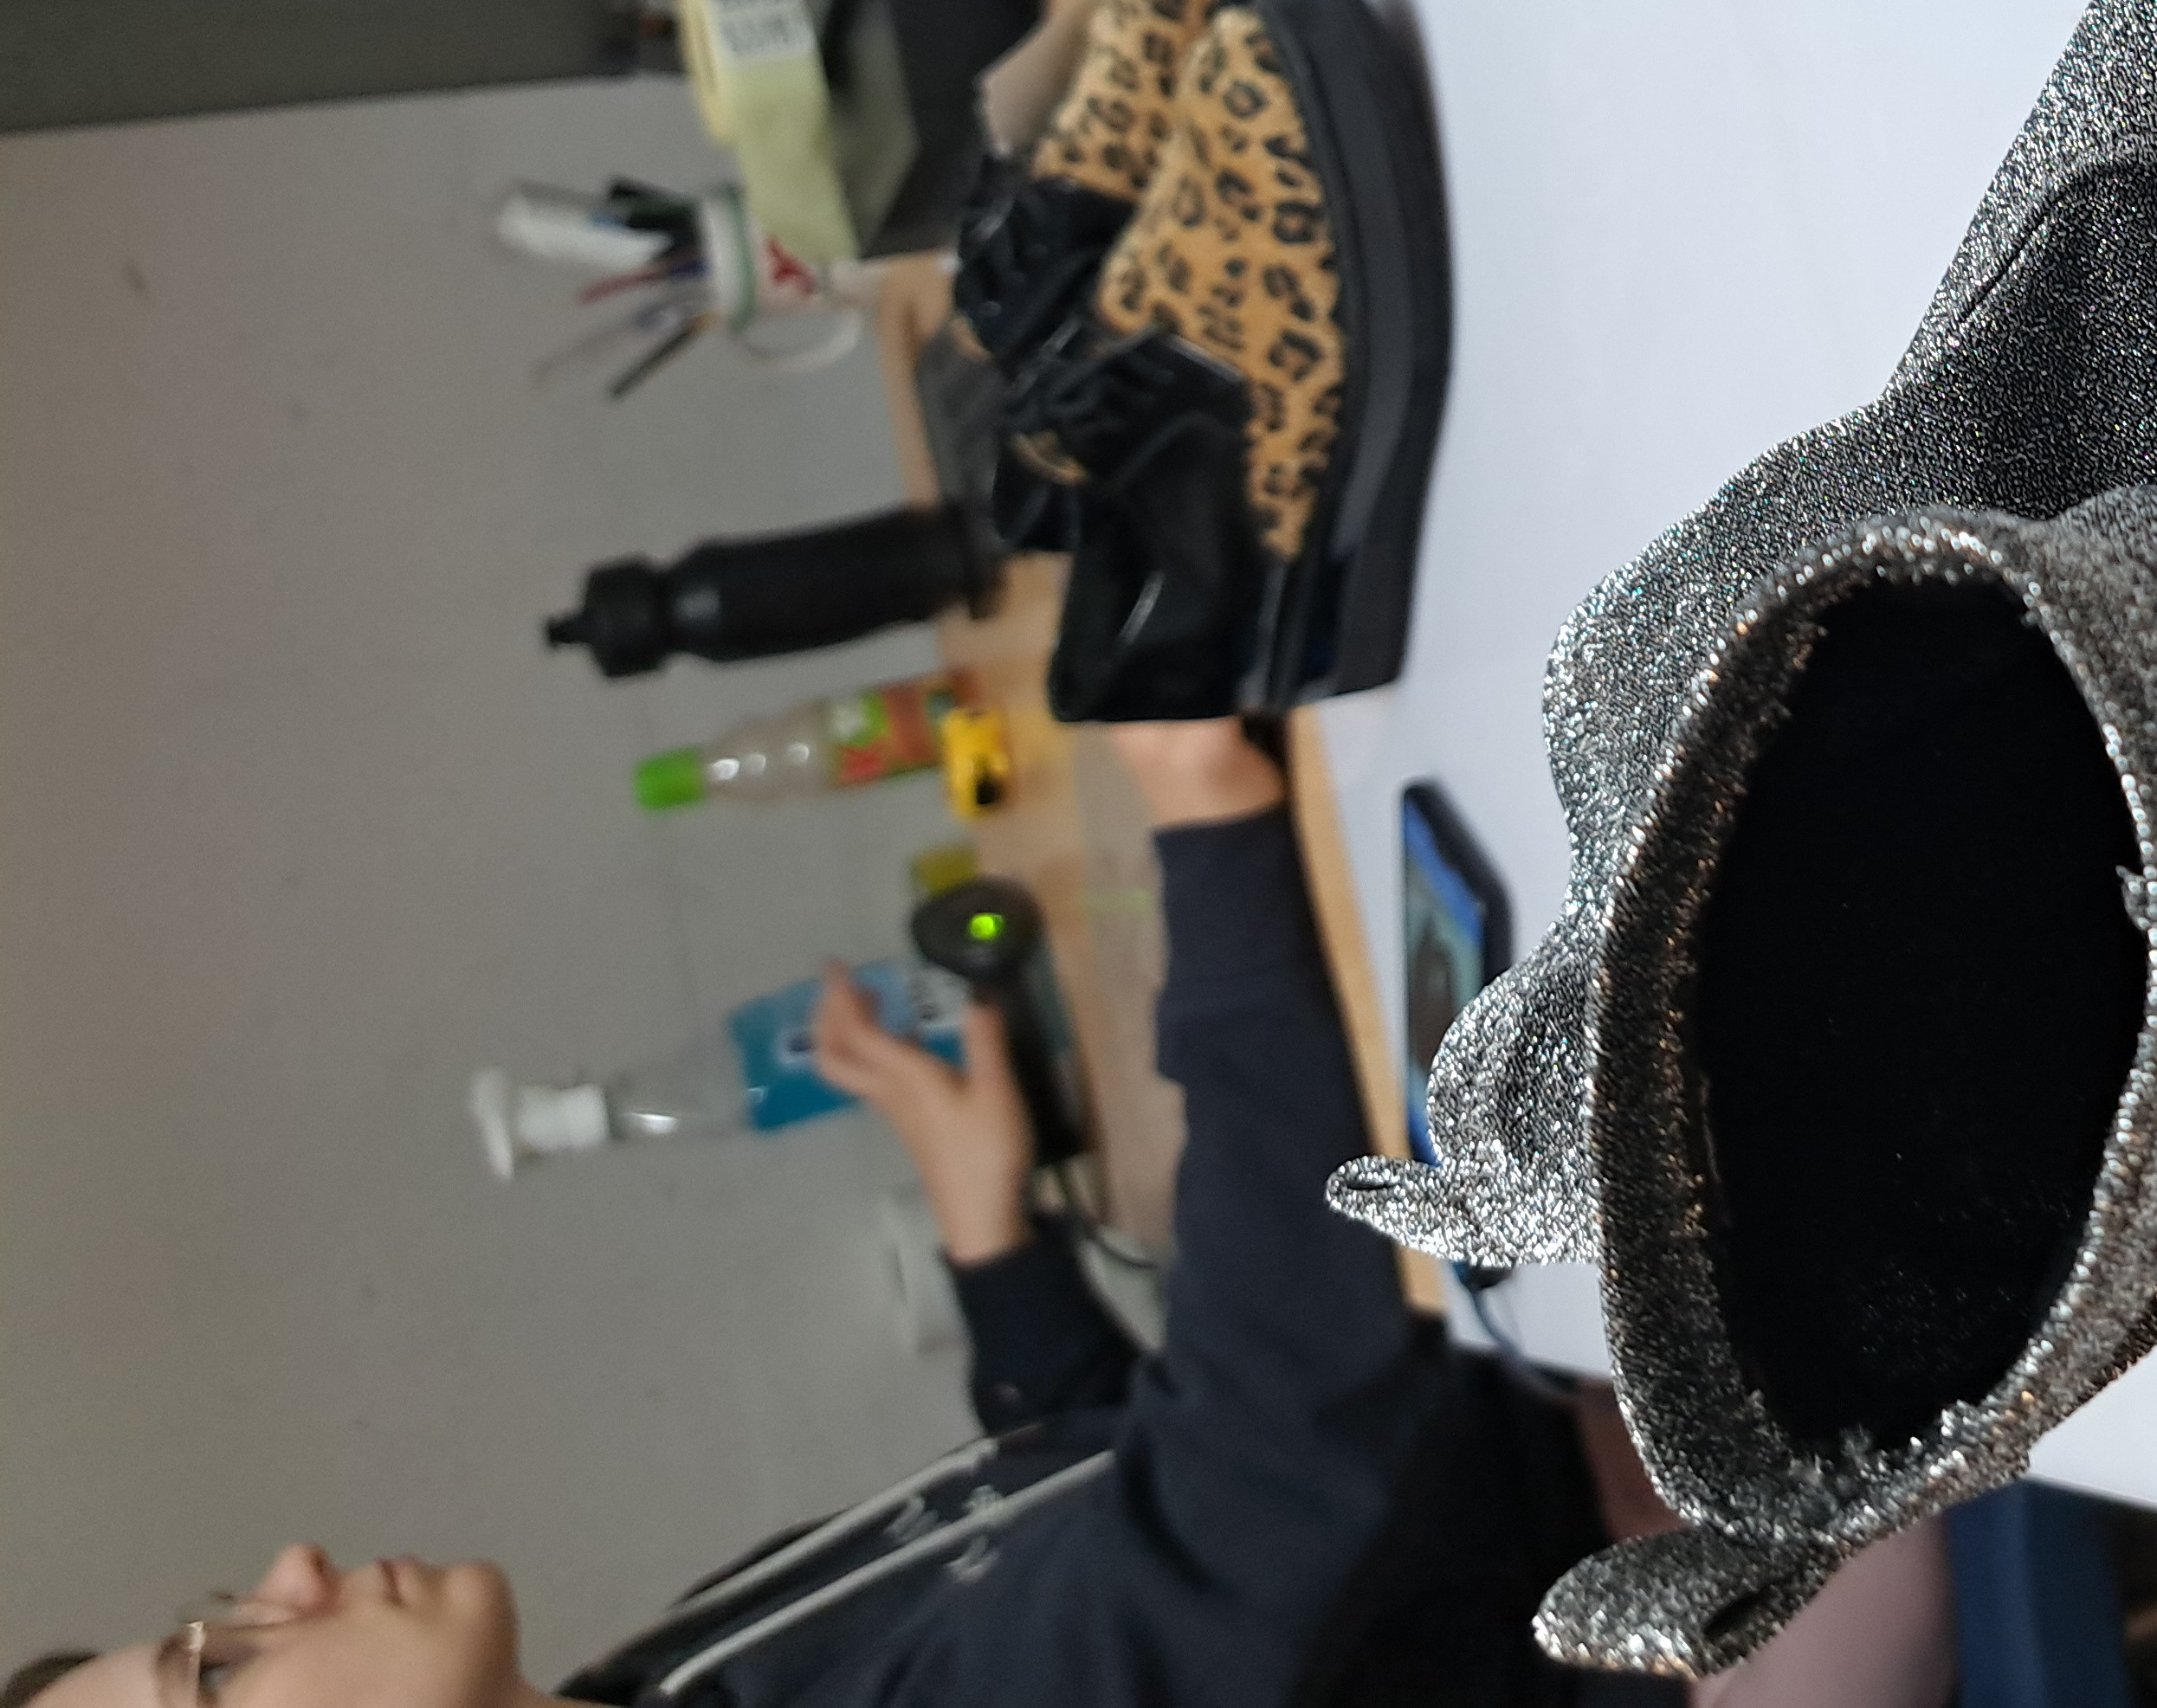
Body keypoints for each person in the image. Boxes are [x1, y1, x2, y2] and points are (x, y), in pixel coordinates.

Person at [9, 717, 1637, 1708]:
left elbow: (1095, 1517)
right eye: (220, 1671)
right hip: (1649, 1557)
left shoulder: (647, 1680)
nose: (284, 1569)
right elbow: (1277, 1468)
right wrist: (1205, 817)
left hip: (1521, 1404)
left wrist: (992, 1242)